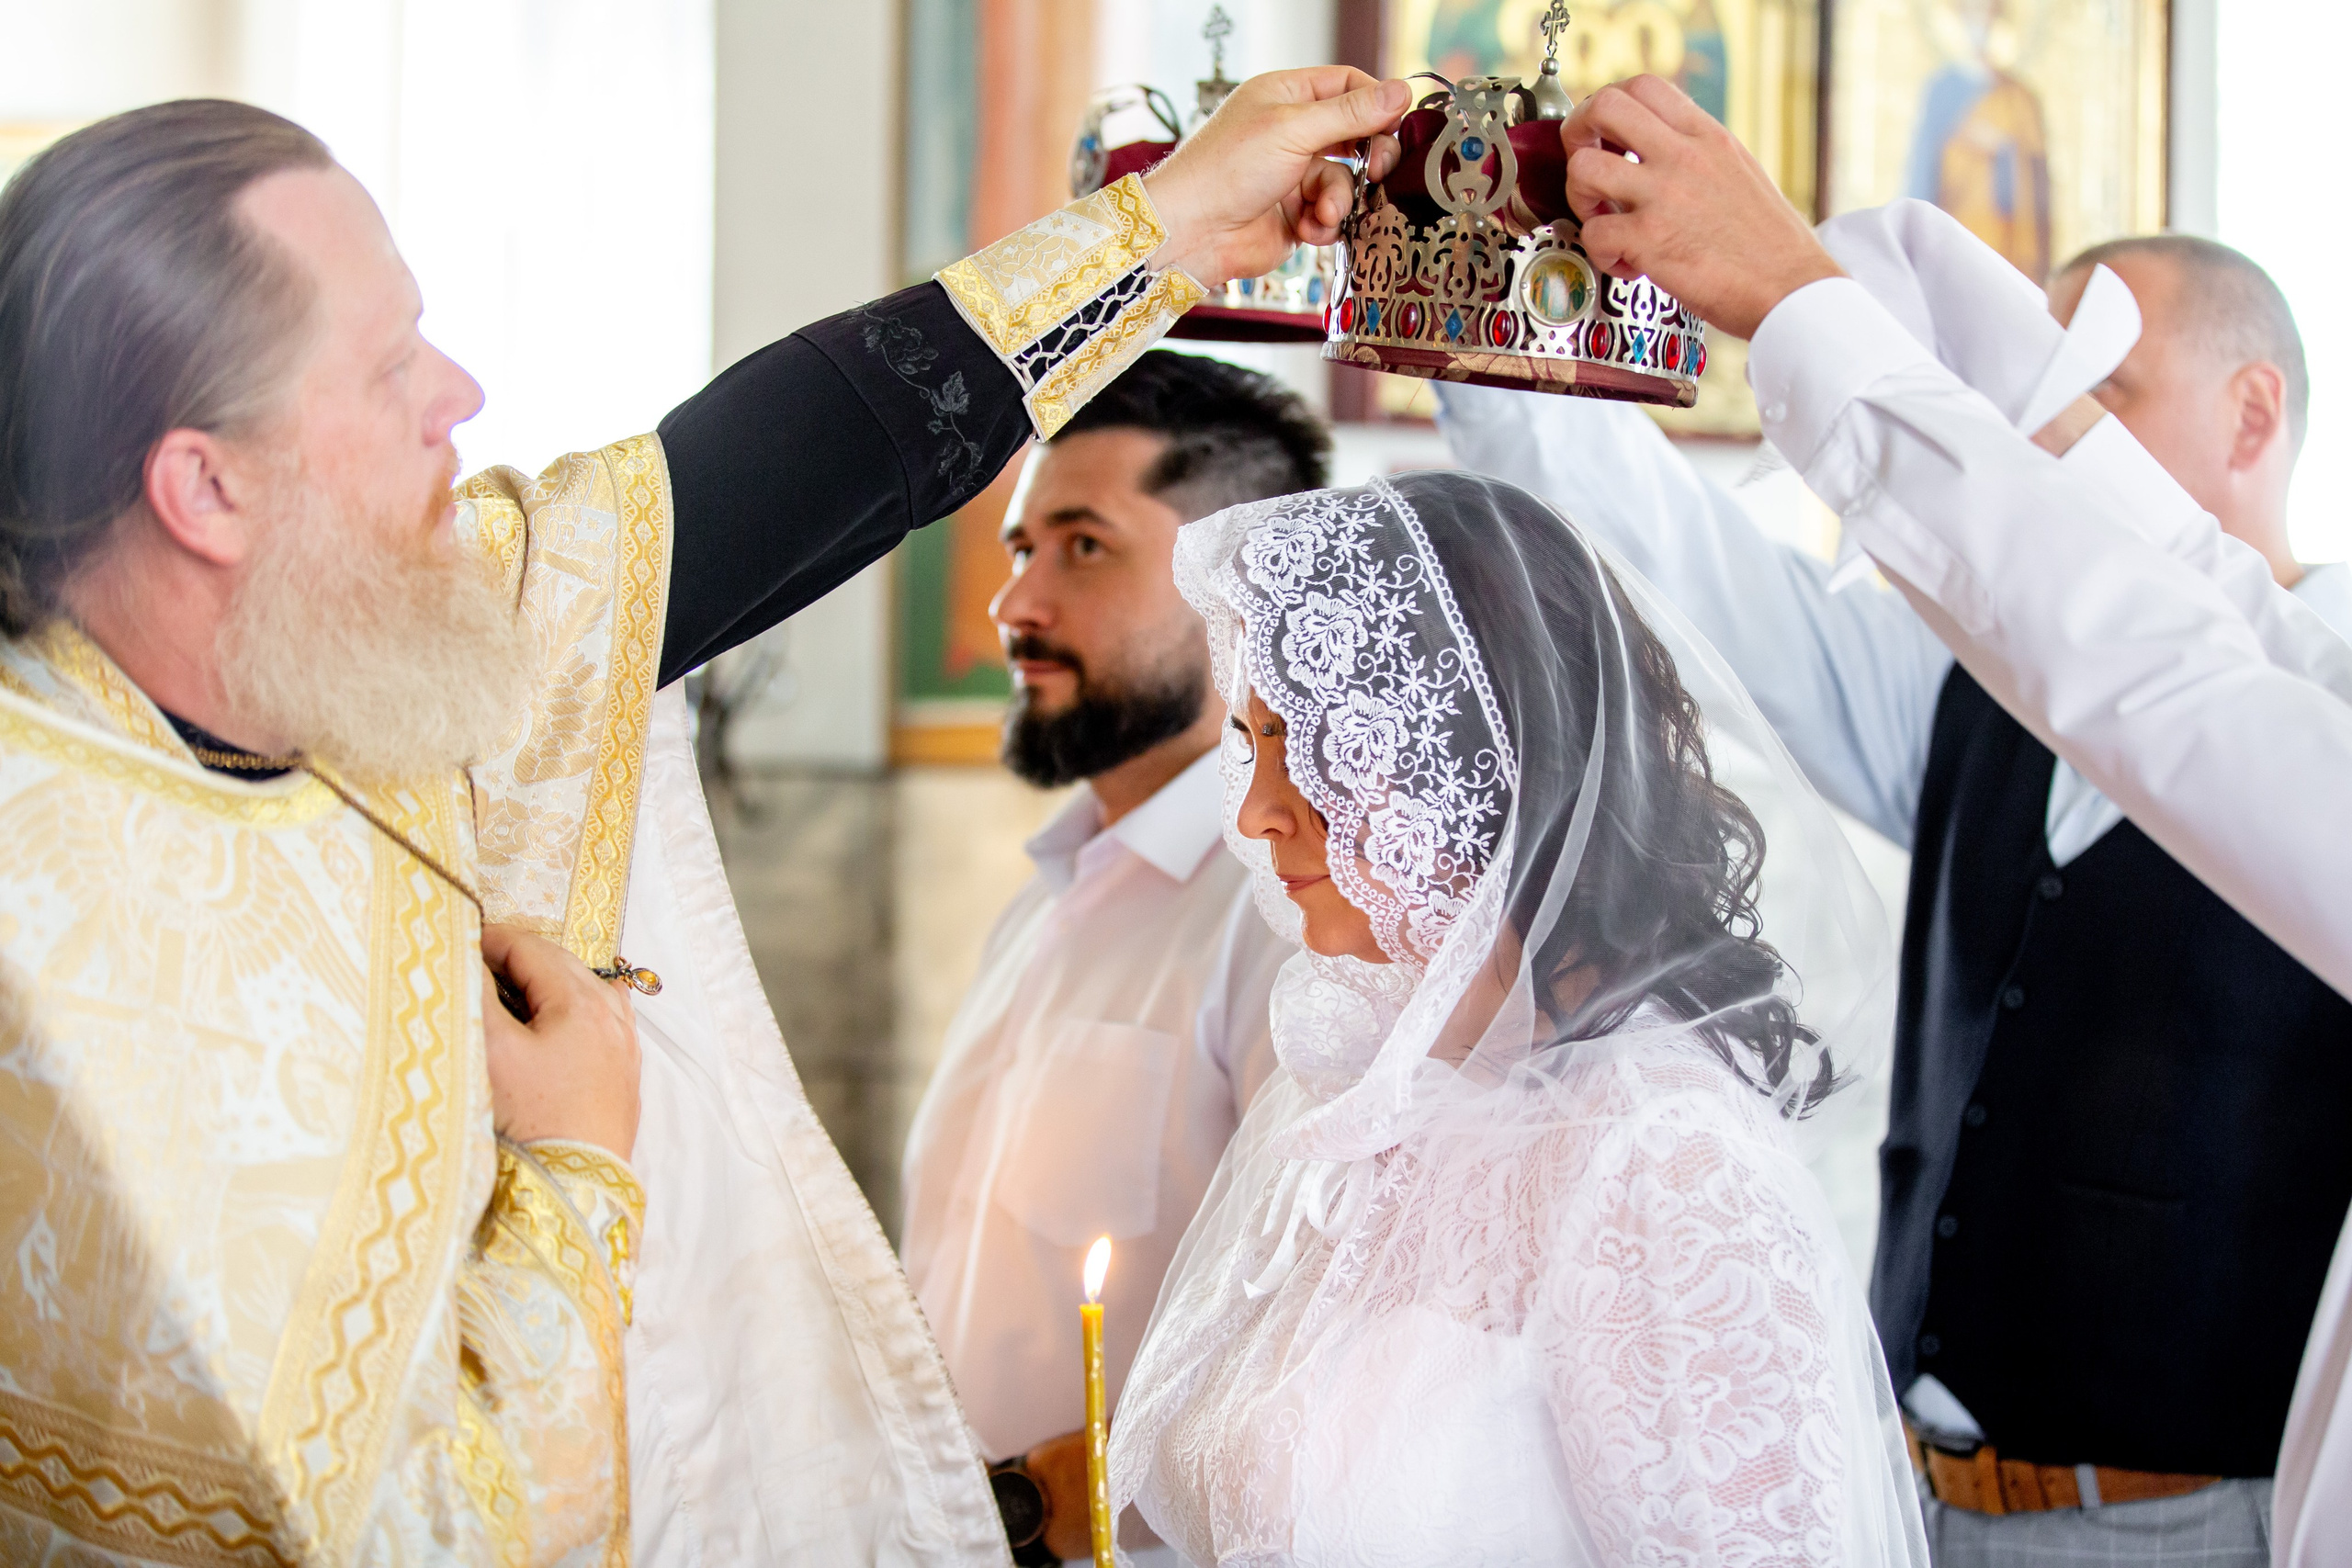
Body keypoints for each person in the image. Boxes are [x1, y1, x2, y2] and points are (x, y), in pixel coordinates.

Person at [0, 76, 1413, 1563]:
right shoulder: (58, 923)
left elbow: (729, 491)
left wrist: (1173, 229)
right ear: (203, 488)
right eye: (387, 366)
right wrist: (574, 1170)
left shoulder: (313, 631)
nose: (460, 399)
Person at [1439, 222, 2352, 1566]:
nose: (2024, 448)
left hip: (2208, 1522)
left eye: (2086, 398)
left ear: (2253, 410)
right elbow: (1697, 576)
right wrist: (1489, 340)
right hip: (1908, 1499)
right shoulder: (1965, 688)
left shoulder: (2324, 717)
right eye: (2004, 406)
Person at [1103, 468, 1930, 1566]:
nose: (1256, 814)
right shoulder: (1361, 1093)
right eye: (1250, 746)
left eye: (1309, 743)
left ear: (1468, 760)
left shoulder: (1661, 1163)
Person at [899, 351, 1318, 1564]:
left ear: (1237, 588)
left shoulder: (1281, 917)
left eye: (1083, 546)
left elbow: (1307, 1369)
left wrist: (1018, 1510)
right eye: (1023, 547)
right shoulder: (1045, 894)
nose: (1014, 605)